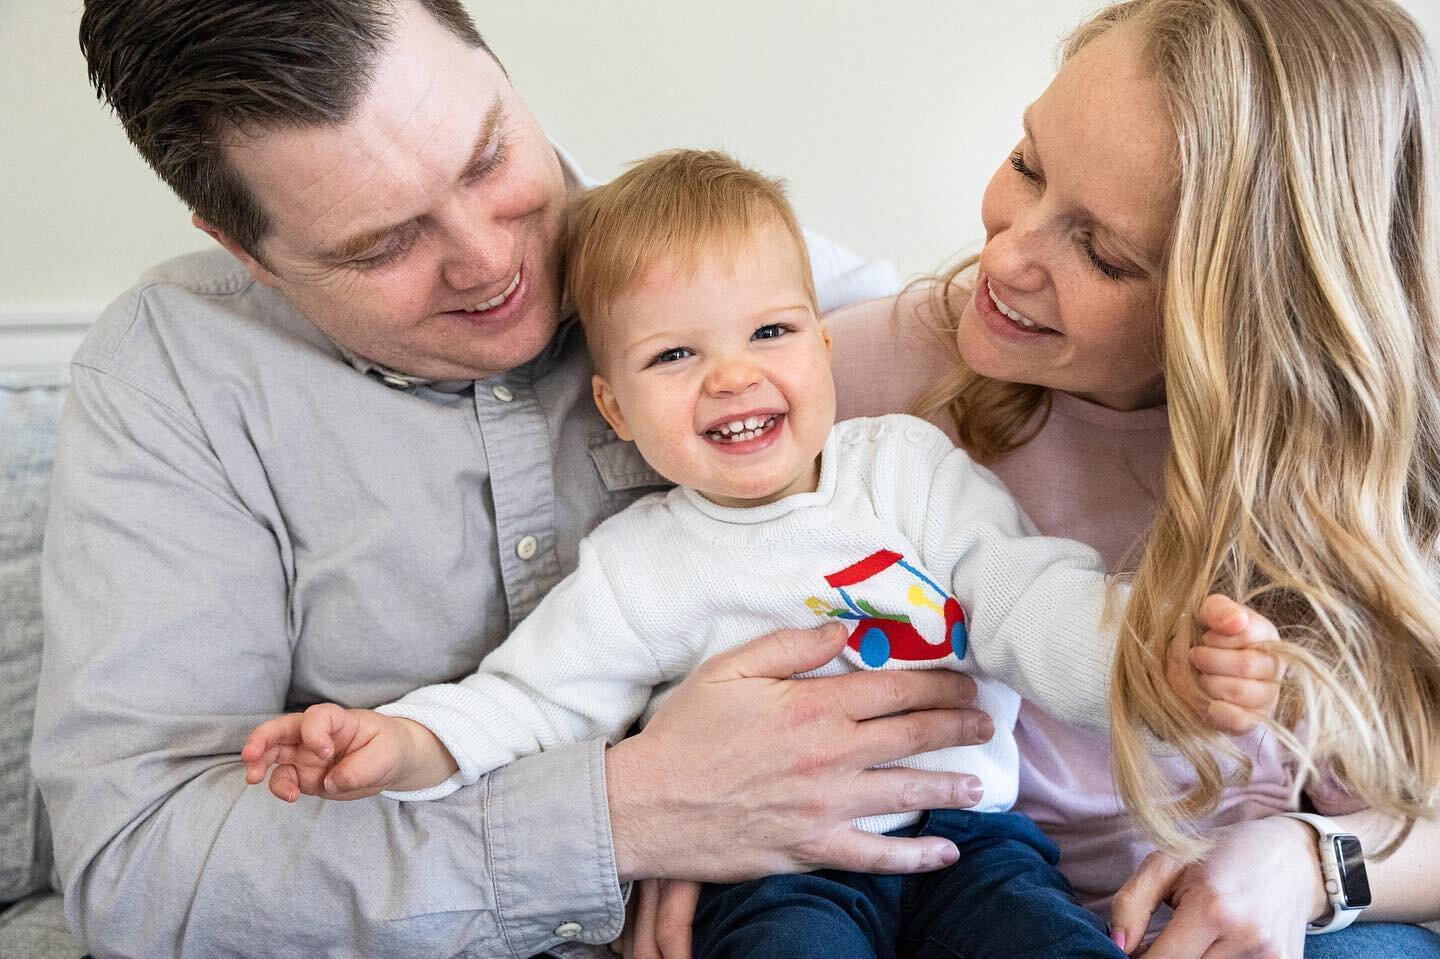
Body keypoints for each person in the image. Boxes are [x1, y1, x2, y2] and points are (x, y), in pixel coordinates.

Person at [35, 4, 988, 957]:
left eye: (488, 158)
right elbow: (140, 867)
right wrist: (631, 816)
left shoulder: (728, 270)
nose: (491, 263)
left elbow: (1065, 497)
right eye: (381, 245)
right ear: (248, 252)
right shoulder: (173, 377)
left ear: (495, 64)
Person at [239, 149, 1281, 959]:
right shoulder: (640, 563)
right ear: (616, 405)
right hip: (778, 866)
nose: (733, 376)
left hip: (971, 841)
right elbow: (529, 700)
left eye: (771, 332)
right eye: (676, 354)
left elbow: (1022, 597)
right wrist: (398, 745)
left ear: (825, 349)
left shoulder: (907, 470)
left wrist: (1154, 656)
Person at [813, 1, 1440, 957]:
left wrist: (1308, 862)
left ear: (1241, 312)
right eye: (1026, 163)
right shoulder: (873, 375)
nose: (1007, 253)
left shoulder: (1363, 474)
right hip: (966, 895)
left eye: (1103, 254)